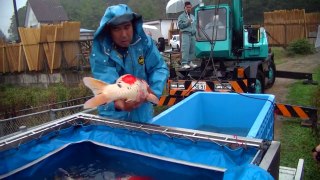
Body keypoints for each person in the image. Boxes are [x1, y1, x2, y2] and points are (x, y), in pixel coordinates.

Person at [89, 4, 169, 123]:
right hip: (113, 119)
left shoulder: (145, 43)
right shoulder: (101, 52)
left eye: (127, 27)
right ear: (109, 30)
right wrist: (118, 103)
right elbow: (106, 78)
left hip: (143, 115)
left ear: (133, 25)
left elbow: (159, 68)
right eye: (117, 29)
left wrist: (152, 91)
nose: (124, 34)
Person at [178, 1, 197, 69]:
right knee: (185, 48)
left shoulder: (192, 16)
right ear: (184, 8)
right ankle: (184, 63)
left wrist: (196, 34)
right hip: (185, 34)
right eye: (187, 7)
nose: (189, 8)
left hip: (192, 34)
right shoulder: (181, 16)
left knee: (192, 49)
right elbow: (180, 25)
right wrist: (187, 23)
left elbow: (195, 26)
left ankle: (190, 62)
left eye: (190, 7)